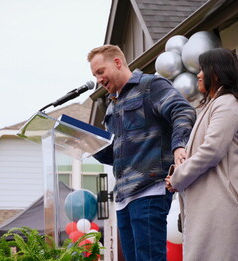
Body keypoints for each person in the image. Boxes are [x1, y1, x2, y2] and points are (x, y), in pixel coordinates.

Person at [87, 44, 196, 261]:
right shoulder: (111, 106)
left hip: (149, 189)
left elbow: (182, 110)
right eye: (94, 75)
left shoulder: (150, 85)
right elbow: (117, 153)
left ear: (117, 62)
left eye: (101, 72)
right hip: (123, 196)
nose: (98, 79)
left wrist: (179, 146)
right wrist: (89, 145)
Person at [165, 48, 238, 260]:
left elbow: (210, 151)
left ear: (216, 74)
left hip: (225, 203)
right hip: (214, 203)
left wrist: (178, 177)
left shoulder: (226, 104)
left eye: (202, 69)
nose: (198, 75)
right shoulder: (215, 105)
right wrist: (177, 173)